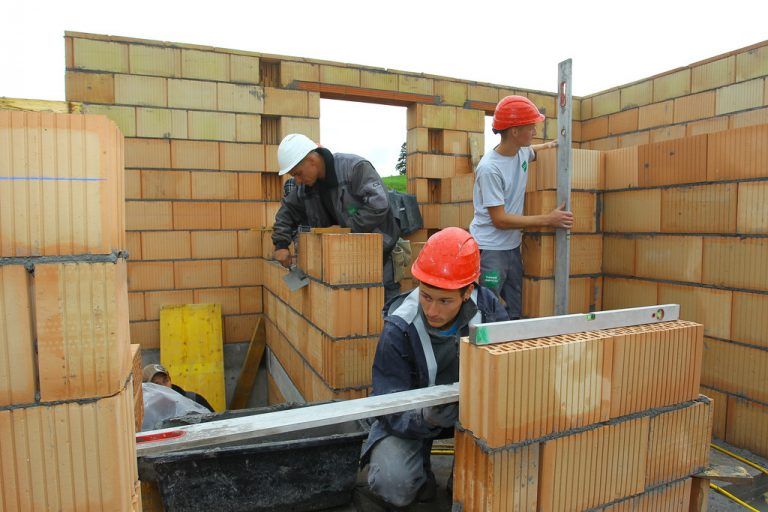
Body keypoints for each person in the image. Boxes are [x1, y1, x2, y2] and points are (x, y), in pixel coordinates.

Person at [355, 227, 509, 511]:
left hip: (472, 415)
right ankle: (420, 476)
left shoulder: (487, 310)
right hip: (413, 418)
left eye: (445, 300)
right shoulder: (399, 327)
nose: (432, 310)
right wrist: (424, 418)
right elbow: (386, 404)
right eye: (426, 296)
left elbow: (510, 365)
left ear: (468, 291)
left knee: (489, 479)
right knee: (395, 484)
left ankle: (460, 479)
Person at [469, 95, 574, 319]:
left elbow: (535, 149)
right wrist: (549, 219)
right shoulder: (490, 169)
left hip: (512, 248)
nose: (534, 131)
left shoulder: (521, 152)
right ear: (515, 131)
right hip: (491, 250)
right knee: (485, 310)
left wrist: (554, 145)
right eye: (530, 127)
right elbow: (500, 219)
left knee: (514, 309)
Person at [271, 133, 402, 301]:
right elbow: (287, 211)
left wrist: (345, 230)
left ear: (312, 160)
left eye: (298, 173)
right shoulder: (306, 188)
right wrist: (281, 244)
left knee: (384, 307)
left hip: (380, 251)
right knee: (353, 310)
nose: (297, 181)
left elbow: (378, 204)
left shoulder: (354, 168)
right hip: (346, 257)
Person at [142, 363, 214, 412]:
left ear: (170, 380)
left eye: (165, 381)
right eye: (157, 384)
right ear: (148, 389)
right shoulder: (144, 412)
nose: (164, 387)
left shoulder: (194, 400)